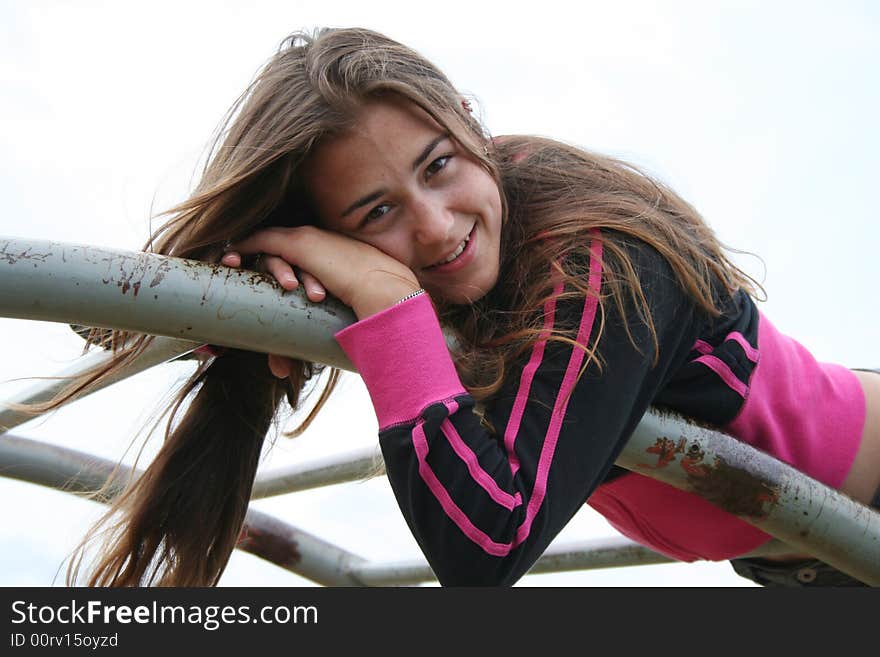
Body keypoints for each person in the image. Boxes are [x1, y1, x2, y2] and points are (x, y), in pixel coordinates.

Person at [58, 27, 879, 587]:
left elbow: (488, 544)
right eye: (375, 213)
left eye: (440, 164)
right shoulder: (454, 270)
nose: (436, 225)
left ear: (470, 125)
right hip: (807, 560)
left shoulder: (601, 263)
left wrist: (385, 304)